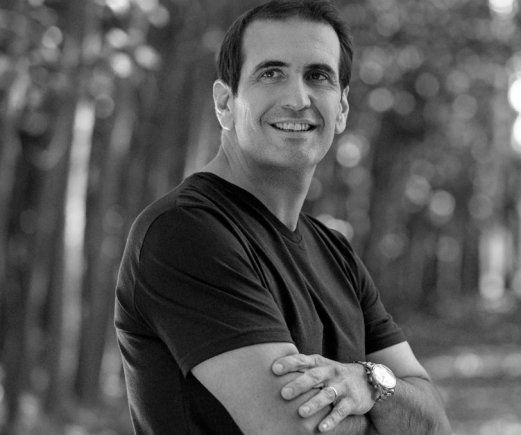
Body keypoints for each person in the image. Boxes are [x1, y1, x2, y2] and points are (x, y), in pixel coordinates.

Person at [113, 0, 451, 433]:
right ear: (225, 103)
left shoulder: (335, 253)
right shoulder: (184, 233)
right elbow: (297, 428)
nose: (297, 99)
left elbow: (434, 421)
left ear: (342, 109)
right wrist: (391, 407)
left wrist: (369, 382)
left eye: (318, 76)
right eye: (271, 73)